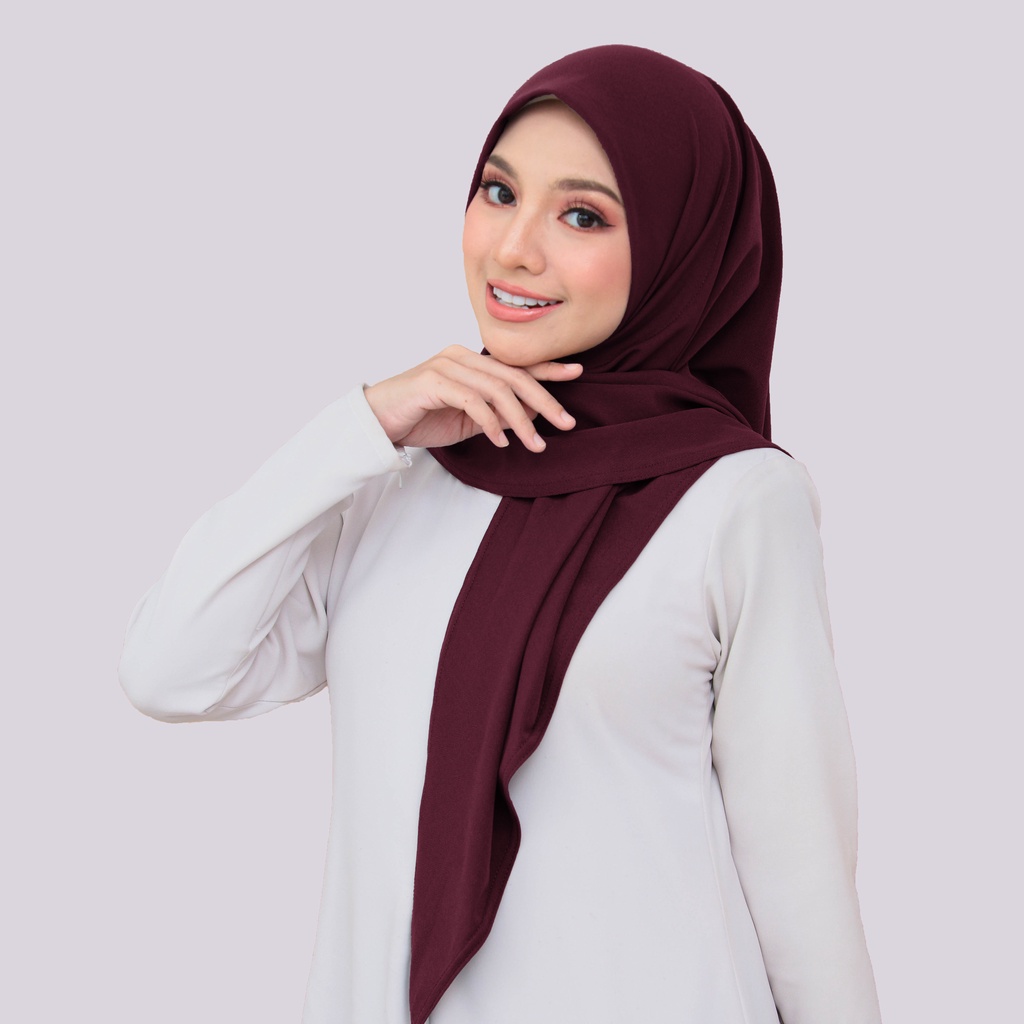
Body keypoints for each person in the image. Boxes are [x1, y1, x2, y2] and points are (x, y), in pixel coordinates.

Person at [120, 44, 881, 1024]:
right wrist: (363, 424)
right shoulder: (399, 479)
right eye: (498, 191)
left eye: (582, 215)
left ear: (679, 245)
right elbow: (169, 669)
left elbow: (800, 872)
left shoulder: (737, 499)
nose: (513, 249)